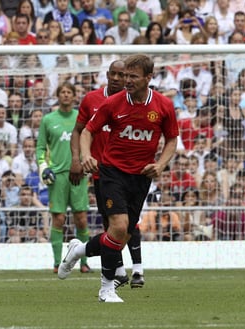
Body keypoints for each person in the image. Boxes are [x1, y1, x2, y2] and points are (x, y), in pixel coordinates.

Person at [59, 54, 179, 303]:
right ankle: (106, 289)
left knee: (121, 235)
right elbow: (86, 132)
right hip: (111, 172)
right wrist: (85, 156)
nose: (127, 81)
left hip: (141, 176)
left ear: (148, 77)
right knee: (120, 227)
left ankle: (79, 249)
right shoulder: (112, 103)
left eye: (133, 76)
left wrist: (161, 164)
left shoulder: (163, 106)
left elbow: (171, 139)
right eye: (125, 76)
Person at [67, 59, 145, 288]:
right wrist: (77, 158)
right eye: (114, 74)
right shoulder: (92, 99)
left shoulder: (134, 102)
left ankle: (137, 268)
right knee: (112, 222)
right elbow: (79, 130)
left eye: (122, 75)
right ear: (108, 74)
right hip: (102, 172)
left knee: (130, 222)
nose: (117, 78)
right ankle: (119, 271)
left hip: (130, 171)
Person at [36, 81, 91, 274]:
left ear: (75, 96)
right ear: (58, 96)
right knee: (58, 219)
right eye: (63, 92)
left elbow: (90, 142)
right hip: (58, 176)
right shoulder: (48, 120)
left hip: (79, 175)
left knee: (82, 219)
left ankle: (84, 263)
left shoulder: (82, 118)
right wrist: (44, 167)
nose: (66, 95)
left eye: (69, 92)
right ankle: (57, 262)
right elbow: (40, 148)